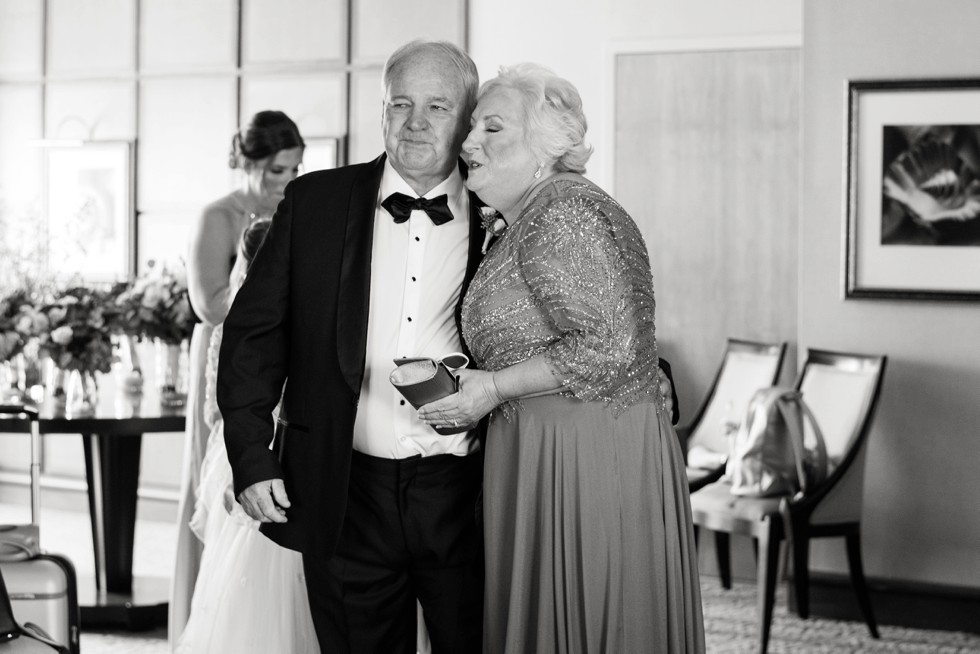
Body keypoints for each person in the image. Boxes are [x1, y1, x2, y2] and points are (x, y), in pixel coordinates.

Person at [417, 63, 706, 652]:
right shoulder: (532, 213)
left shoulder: (562, 212)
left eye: (492, 129)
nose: (469, 142)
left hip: (580, 456)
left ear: (546, 147)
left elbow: (608, 344)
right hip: (548, 447)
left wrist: (491, 389)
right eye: (472, 127)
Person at [216, 40, 485, 653]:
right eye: (400, 104)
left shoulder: (504, 208)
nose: (415, 122)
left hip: (465, 495)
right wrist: (252, 458)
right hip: (343, 487)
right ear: (382, 110)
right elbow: (253, 337)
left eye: (438, 107)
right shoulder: (315, 202)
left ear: (468, 116)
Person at [171, 110, 305, 647]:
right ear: (247, 164)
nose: (287, 183)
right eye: (277, 172)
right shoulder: (219, 216)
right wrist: (265, 286)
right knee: (219, 485)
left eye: (295, 170)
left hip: (285, 354)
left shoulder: (298, 210)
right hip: (225, 353)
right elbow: (207, 306)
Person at [176, 218, 319, 653]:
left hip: (242, 454)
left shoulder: (232, 325)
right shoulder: (308, 319)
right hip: (277, 456)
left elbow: (212, 412)